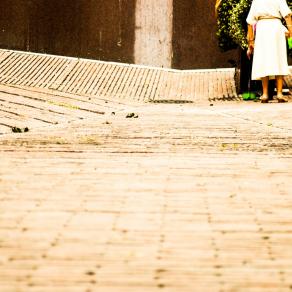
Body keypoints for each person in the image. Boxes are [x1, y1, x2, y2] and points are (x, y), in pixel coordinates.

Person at [246, 0, 292, 103]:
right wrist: (291, 31)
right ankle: (279, 93)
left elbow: (250, 21)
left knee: (263, 59)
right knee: (278, 58)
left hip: (262, 28)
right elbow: (287, 15)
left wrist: (251, 40)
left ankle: (265, 94)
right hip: (276, 28)